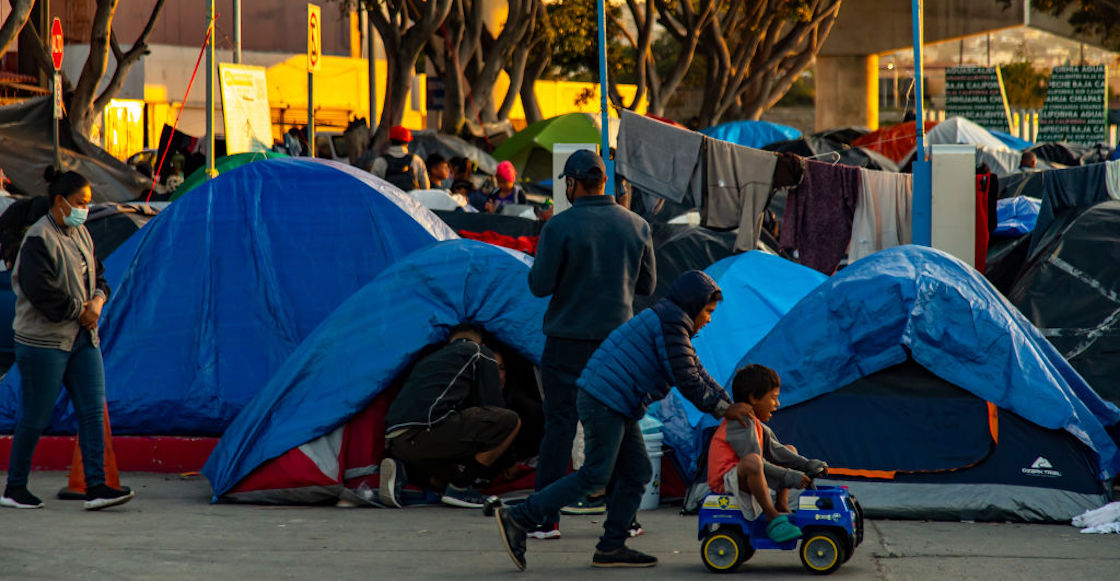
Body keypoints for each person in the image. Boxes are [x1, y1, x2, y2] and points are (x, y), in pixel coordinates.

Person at [496, 270, 755, 570]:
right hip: (605, 401)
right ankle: (519, 517)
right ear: (693, 303)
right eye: (708, 311)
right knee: (595, 475)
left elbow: (697, 370)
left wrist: (728, 403)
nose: (709, 319)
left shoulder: (673, 323)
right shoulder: (671, 323)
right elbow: (687, 379)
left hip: (614, 402)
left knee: (637, 472)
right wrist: (723, 409)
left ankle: (611, 546)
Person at [525, 150, 656, 539]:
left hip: (566, 346)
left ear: (571, 183)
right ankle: (623, 518)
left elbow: (539, 286)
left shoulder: (559, 227)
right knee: (618, 428)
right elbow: (647, 287)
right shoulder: (637, 225)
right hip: (619, 348)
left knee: (560, 427)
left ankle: (544, 520)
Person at [1, 169, 134, 511]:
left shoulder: (81, 234)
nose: (85, 210)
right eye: (80, 203)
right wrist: (82, 310)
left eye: (88, 204)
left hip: (82, 339)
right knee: (36, 415)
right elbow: (43, 293)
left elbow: (99, 277)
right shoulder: (38, 240)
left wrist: (98, 304)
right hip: (44, 343)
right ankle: (15, 488)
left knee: (92, 411)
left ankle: (97, 487)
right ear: (60, 202)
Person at [379, 324, 521, 509]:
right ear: (481, 341)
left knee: (454, 432)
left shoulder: (428, 359)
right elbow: (492, 405)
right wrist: (508, 461)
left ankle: (408, 474)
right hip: (426, 432)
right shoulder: (479, 352)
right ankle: (461, 487)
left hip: (395, 442)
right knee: (509, 420)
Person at [707, 364, 828, 543]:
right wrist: (789, 477)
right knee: (753, 461)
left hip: (743, 474)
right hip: (725, 481)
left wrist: (806, 464)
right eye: (773, 398)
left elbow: (777, 452)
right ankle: (772, 516)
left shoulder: (755, 423)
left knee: (789, 449)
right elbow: (756, 463)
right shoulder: (739, 422)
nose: (777, 404)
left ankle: (781, 506)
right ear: (754, 398)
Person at [372, 126, 429, 191]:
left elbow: (373, 186)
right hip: (410, 200)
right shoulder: (417, 160)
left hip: (388, 199)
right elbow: (425, 187)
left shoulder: (380, 161)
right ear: (407, 142)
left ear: (390, 141)